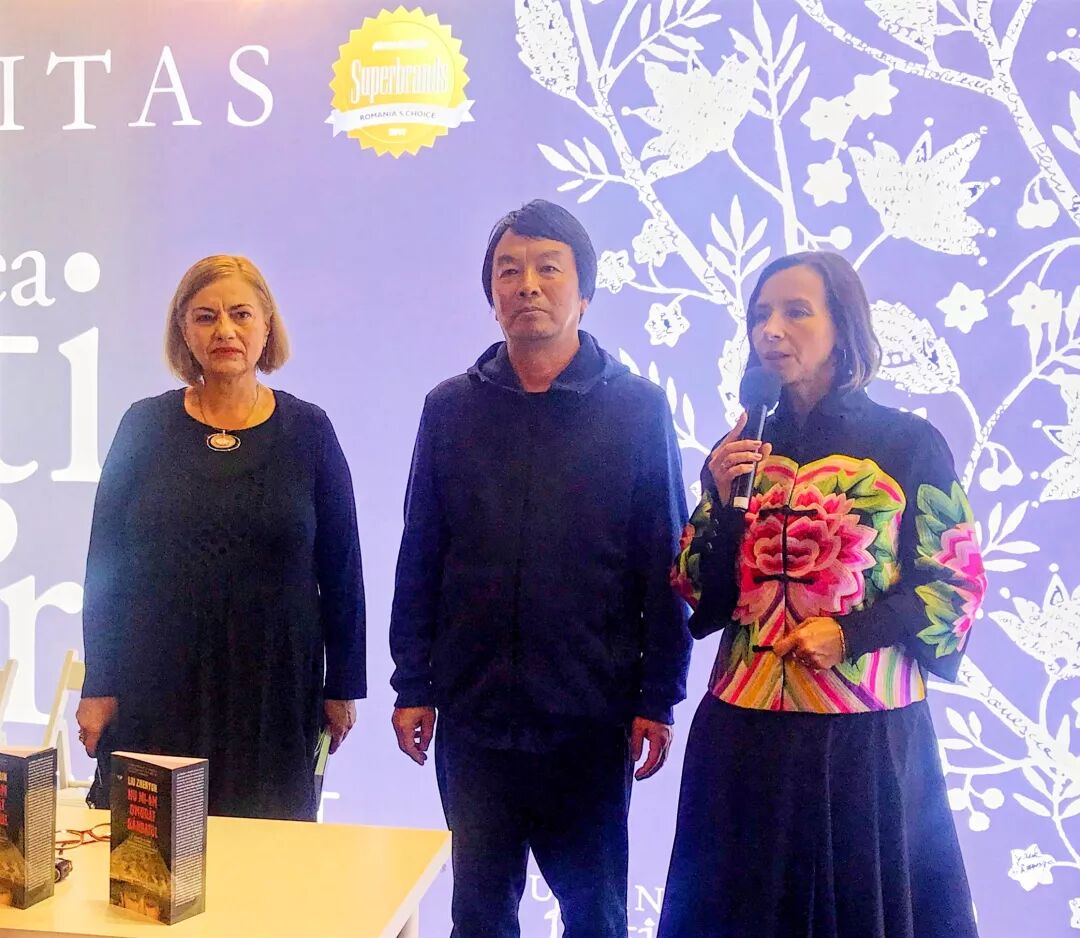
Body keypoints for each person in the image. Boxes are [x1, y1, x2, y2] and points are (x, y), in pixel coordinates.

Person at [659, 251, 985, 938]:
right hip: (744, 735)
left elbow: (955, 582)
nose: (771, 330)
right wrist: (719, 497)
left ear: (843, 327)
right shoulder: (740, 447)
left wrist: (851, 633)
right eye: (760, 316)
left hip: (862, 743)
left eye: (795, 312)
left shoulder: (907, 443)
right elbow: (698, 590)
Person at [389, 199, 691, 937]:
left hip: (591, 717)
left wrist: (658, 695)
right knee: (479, 913)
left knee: (595, 915)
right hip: (475, 719)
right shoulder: (450, 408)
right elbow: (421, 552)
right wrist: (413, 683)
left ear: (584, 291)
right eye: (509, 271)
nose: (527, 285)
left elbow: (664, 561)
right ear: (491, 296)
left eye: (548, 268)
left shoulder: (637, 409)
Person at [76, 255, 365, 821]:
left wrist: (343, 685)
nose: (225, 330)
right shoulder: (143, 426)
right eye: (206, 316)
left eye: (241, 314)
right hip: (157, 681)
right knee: (154, 859)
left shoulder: (309, 431)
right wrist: (99, 683)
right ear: (184, 331)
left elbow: (342, 569)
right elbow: (105, 566)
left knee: (269, 860)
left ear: (267, 326)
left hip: (274, 687)